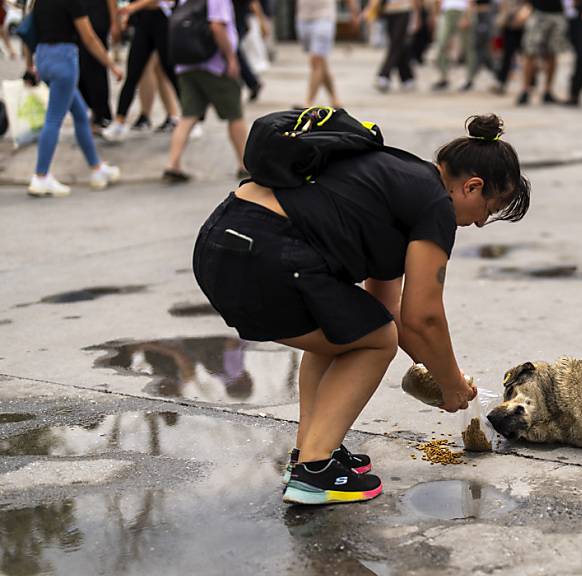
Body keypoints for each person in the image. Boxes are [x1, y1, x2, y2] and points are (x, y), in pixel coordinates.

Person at [192, 114, 531, 505]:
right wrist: (452, 383)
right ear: (473, 187)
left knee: (347, 331)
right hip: (264, 256)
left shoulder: (400, 178)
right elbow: (423, 317)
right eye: (489, 208)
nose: (482, 222)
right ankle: (314, 471)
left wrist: (442, 378)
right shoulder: (435, 205)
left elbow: (389, 312)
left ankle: (311, 450)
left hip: (221, 244)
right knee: (374, 340)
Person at [25, 0, 124, 196]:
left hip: (43, 58)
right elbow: (89, 38)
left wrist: (29, 64)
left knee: (80, 114)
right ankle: (41, 176)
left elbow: (28, 33)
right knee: (54, 119)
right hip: (63, 59)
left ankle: (96, 168)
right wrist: (111, 65)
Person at [163, 0, 246, 183]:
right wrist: (231, 58)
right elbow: (217, 27)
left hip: (185, 65)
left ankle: (172, 164)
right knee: (235, 115)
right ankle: (244, 164)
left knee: (188, 116)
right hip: (214, 65)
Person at [102, 0, 179, 142]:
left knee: (170, 72)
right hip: (144, 21)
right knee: (133, 73)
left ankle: (190, 117)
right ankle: (119, 121)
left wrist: (134, 7)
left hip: (163, 19)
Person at [296, 0, 359, 108]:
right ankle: (335, 99)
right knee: (321, 63)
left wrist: (353, 13)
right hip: (303, 17)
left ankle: (308, 103)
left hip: (325, 16)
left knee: (316, 59)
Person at [78, 0, 120, 132]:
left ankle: (102, 115)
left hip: (96, 16)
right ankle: (96, 112)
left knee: (96, 68)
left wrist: (114, 22)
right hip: (80, 16)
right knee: (82, 68)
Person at [516, 0, 568, 106]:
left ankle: (547, 91)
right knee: (530, 52)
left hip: (557, 13)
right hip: (538, 12)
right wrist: (525, 6)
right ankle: (525, 90)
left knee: (552, 53)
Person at [367, 0, 420, 92]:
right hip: (388, 11)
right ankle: (407, 77)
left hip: (404, 9)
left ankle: (384, 75)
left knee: (396, 42)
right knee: (398, 44)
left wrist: (417, 15)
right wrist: (371, 8)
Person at [431, 0, 476, 91]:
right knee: (442, 44)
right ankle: (444, 77)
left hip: (462, 11)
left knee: (468, 47)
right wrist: (437, 15)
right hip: (447, 13)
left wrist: (467, 16)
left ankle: (469, 79)